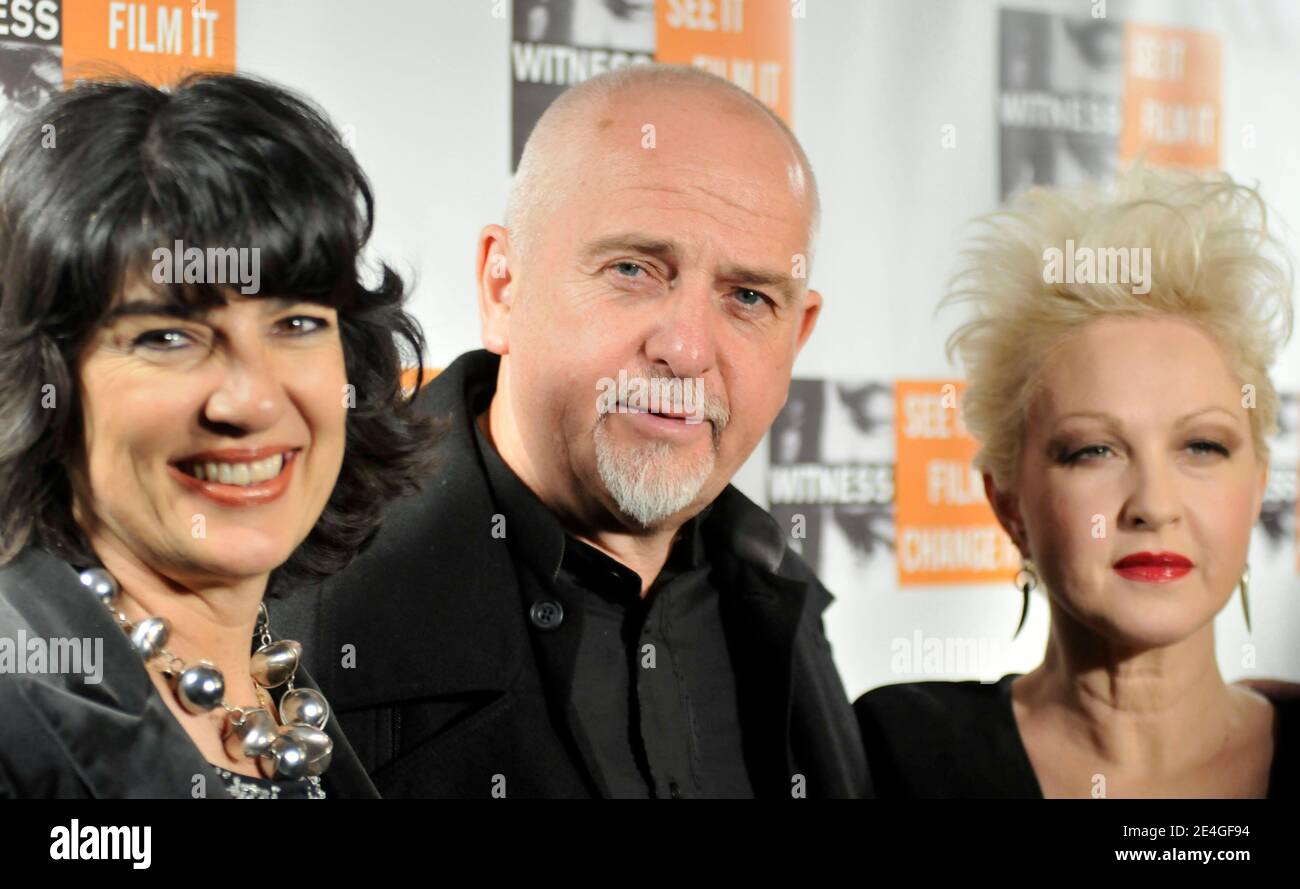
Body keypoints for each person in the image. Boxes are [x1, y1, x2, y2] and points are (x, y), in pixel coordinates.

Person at [272, 64, 870, 798]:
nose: (685, 349)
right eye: (633, 269)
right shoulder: (289, 609)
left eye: (748, 296)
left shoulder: (781, 602)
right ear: (503, 284)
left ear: (797, 335)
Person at [0, 73, 437, 798]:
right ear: (44, 379)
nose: (253, 399)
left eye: (296, 323)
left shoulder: (286, 695)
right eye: (168, 335)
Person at [855, 166, 1300, 798]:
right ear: (1007, 503)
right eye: (1095, 450)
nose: (1154, 505)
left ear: (1257, 486)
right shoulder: (897, 756)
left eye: (1202, 446)